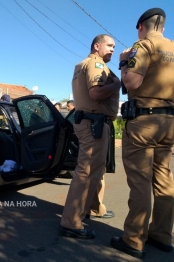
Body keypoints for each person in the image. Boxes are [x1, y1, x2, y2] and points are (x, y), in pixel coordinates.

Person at [110, 8, 174, 258]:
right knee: (164, 179)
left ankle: (134, 239)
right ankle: (162, 235)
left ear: (140, 26)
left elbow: (131, 83)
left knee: (140, 181)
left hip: (144, 121)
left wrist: (125, 61)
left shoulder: (143, 46)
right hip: (169, 122)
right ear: (164, 27)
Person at [59, 34, 121, 239]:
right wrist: (116, 84)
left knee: (95, 169)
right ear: (97, 46)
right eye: (109, 45)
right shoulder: (96, 65)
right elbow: (96, 93)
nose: (112, 49)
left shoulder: (83, 64)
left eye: (114, 46)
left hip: (89, 121)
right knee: (86, 171)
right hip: (93, 123)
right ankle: (71, 222)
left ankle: (94, 208)